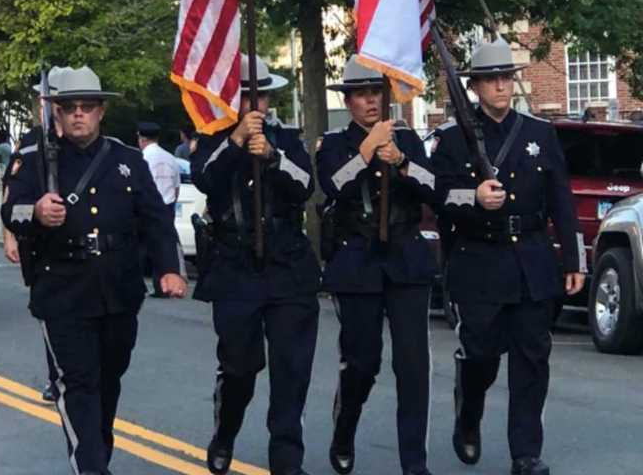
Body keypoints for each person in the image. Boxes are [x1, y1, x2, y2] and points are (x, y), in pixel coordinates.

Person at [1, 66, 187, 475]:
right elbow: (9, 209)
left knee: (107, 381)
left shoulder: (126, 160)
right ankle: (91, 467)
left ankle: (95, 451)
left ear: (102, 111)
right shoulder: (34, 158)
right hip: (62, 289)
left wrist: (169, 270)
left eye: (87, 107)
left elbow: (155, 220)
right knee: (78, 384)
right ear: (57, 113)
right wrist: (35, 211)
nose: (78, 115)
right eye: (69, 108)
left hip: (117, 289)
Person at [430, 37, 586, 475]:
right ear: (475, 87)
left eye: (505, 78)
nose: (500, 86)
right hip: (479, 261)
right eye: (491, 80)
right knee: (480, 355)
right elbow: (438, 195)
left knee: (532, 360)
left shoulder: (539, 133)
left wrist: (574, 260)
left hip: (532, 260)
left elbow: (561, 200)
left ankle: (525, 453)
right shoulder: (453, 138)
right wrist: (474, 196)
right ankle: (469, 411)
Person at [191, 55, 320, 475]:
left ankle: (286, 460)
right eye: (247, 95)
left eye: (261, 95)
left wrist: (274, 158)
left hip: (287, 263)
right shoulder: (212, 136)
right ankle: (225, 431)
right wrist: (235, 143)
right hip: (234, 265)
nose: (255, 104)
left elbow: (305, 187)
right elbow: (205, 180)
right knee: (240, 366)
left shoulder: (287, 137)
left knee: (291, 369)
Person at [316, 57, 438, 475]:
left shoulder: (407, 139)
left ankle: (414, 463)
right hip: (357, 258)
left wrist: (400, 160)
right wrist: (369, 150)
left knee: (412, 364)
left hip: (405, 256)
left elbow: (434, 188)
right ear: (348, 101)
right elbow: (333, 185)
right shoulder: (334, 143)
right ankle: (344, 428)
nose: (371, 101)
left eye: (377, 93)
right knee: (363, 361)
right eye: (362, 94)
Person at [2, 66, 72, 403]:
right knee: (50, 311)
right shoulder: (30, 144)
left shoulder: (88, 141)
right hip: (43, 246)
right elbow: (10, 195)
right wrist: (9, 236)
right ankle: (56, 374)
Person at [137, 122, 180, 217]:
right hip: (168, 208)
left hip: (147, 210)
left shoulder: (140, 158)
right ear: (157, 138)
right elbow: (176, 188)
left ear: (142, 139)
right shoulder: (171, 158)